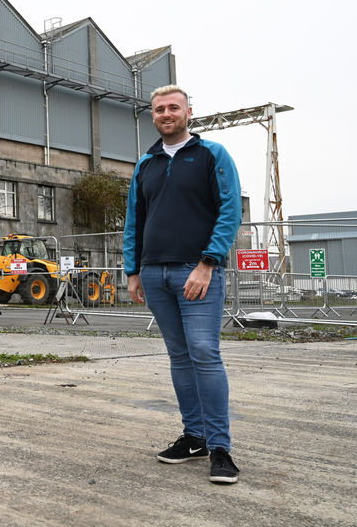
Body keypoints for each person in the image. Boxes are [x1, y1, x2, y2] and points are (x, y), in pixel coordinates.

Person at [123, 84, 242, 484]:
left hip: (197, 272)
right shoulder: (146, 163)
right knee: (178, 356)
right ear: (152, 116)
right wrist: (133, 270)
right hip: (155, 274)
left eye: (174, 107)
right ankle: (194, 438)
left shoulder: (212, 155)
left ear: (189, 112)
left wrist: (208, 263)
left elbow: (230, 210)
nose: (166, 114)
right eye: (159, 109)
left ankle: (221, 448)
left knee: (205, 352)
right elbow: (134, 221)